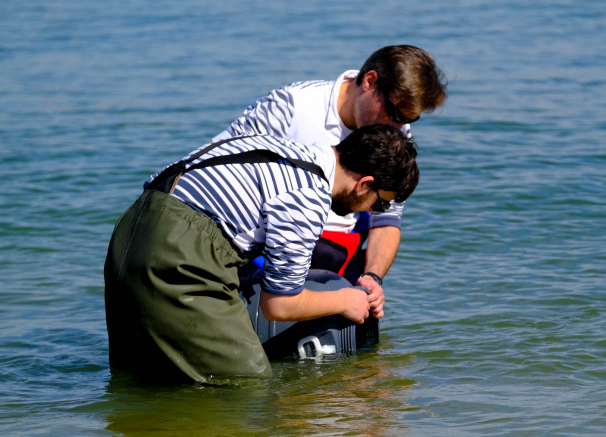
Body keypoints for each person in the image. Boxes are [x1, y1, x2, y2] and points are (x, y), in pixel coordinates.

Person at [104, 125, 418, 382]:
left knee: (138, 379)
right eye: (379, 204)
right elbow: (279, 304)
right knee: (246, 387)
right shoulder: (308, 195)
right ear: (364, 184)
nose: (374, 211)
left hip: (130, 230)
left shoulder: (280, 148)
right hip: (179, 252)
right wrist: (347, 299)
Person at [212, 45, 447, 319]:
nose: (399, 128)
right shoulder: (291, 106)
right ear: (370, 81)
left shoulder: (397, 133)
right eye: (396, 115)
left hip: (343, 255)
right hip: (272, 249)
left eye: (410, 120)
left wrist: (373, 276)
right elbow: (217, 167)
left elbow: (386, 220)